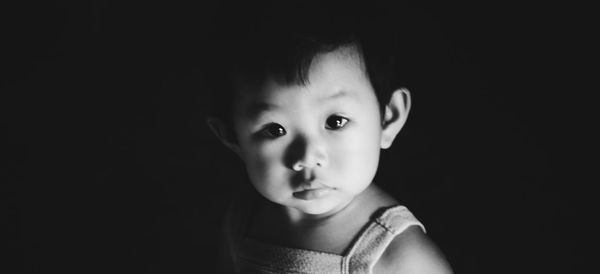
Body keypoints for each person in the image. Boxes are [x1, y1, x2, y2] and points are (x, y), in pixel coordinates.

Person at [203, 3, 453, 273]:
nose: (307, 156)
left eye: (335, 122)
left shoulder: (400, 259)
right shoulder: (242, 219)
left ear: (388, 118)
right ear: (232, 138)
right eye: (275, 130)